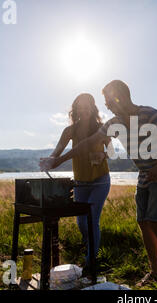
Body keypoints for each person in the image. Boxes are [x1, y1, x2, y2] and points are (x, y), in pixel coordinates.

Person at [40, 80, 157, 288]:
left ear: (121, 96)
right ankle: (155, 271)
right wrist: (58, 160)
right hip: (145, 174)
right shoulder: (115, 123)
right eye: (105, 101)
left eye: (108, 100)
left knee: (154, 221)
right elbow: (87, 143)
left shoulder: (150, 114)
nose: (106, 104)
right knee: (143, 222)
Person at [47, 93, 111, 274]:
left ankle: (91, 261)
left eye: (87, 106)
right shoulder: (69, 131)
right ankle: (91, 248)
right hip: (80, 182)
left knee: (92, 219)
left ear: (93, 108)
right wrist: (50, 160)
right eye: (80, 107)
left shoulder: (101, 128)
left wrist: (104, 155)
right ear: (75, 110)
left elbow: (112, 151)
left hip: (100, 180)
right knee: (81, 222)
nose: (84, 110)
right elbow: (56, 152)